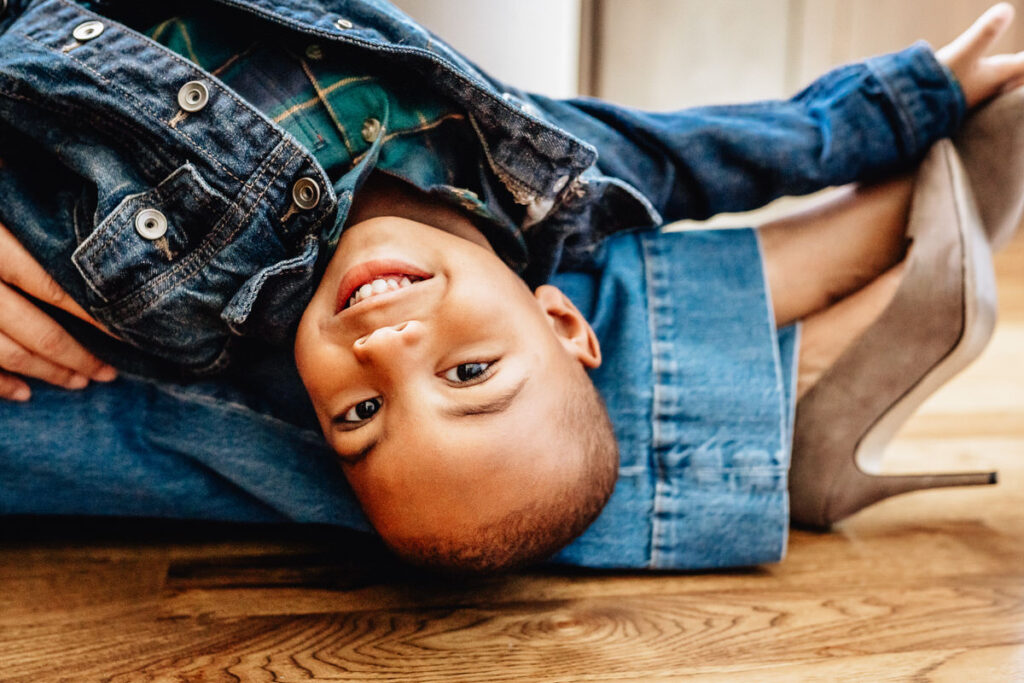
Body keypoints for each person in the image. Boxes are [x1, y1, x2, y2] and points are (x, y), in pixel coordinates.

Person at [0, 0, 1021, 571]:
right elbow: (710, 152)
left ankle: (804, 331)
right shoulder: (540, 177)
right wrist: (916, 93)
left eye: (357, 411)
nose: (388, 351)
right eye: (470, 368)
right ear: (564, 314)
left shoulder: (179, 297)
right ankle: (811, 319)